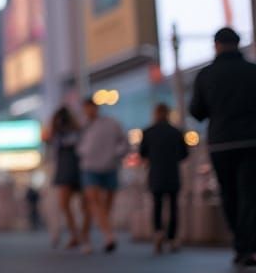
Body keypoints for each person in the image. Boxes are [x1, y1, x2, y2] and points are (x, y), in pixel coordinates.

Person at [189, 26, 256, 266]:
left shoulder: (206, 75)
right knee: (249, 194)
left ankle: (240, 244)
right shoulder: (252, 71)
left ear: (216, 45)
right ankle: (249, 246)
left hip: (221, 143)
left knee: (229, 194)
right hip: (251, 141)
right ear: (238, 44)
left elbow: (196, 111)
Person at [76, 96, 128, 254]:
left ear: (96, 108)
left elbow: (124, 143)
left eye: (90, 107)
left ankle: (95, 232)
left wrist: (115, 154)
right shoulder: (81, 126)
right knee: (94, 200)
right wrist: (83, 152)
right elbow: (76, 145)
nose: (88, 111)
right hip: (89, 168)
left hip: (109, 167)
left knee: (106, 204)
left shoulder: (111, 123)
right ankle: (108, 235)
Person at [140, 102, 189, 254]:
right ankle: (173, 238)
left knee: (157, 205)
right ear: (168, 113)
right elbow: (184, 154)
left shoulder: (148, 132)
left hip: (155, 173)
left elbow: (143, 153)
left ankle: (158, 232)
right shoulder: (176, 132)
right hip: (172, 173)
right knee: (174, 206)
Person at [46, 105, 88, 249]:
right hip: (67, 170)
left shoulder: (77, 131)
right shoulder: (58, 134)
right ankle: (75, 234)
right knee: (65, 205)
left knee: (84, 205)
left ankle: (82, 234)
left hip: (77, 169)